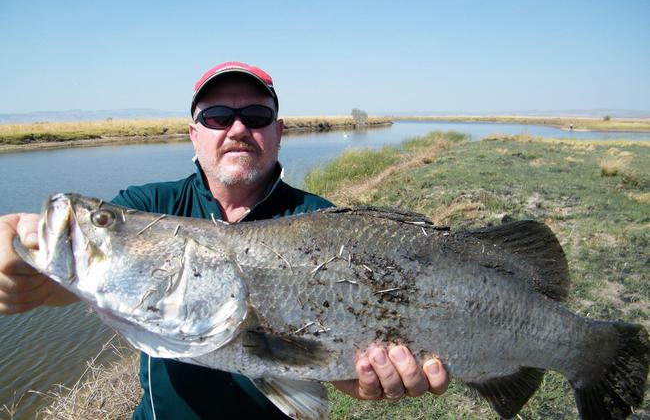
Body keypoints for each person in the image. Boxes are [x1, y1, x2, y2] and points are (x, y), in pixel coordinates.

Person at [0, 61, 448, 419]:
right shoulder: (150, 204)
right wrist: (22, 273)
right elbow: (77, 282)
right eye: (216, 117)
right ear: (194, 134)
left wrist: (358, 381)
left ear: (279, 131)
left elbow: (322, 368)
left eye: (255, 116)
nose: (237, 129)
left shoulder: (322, 221)